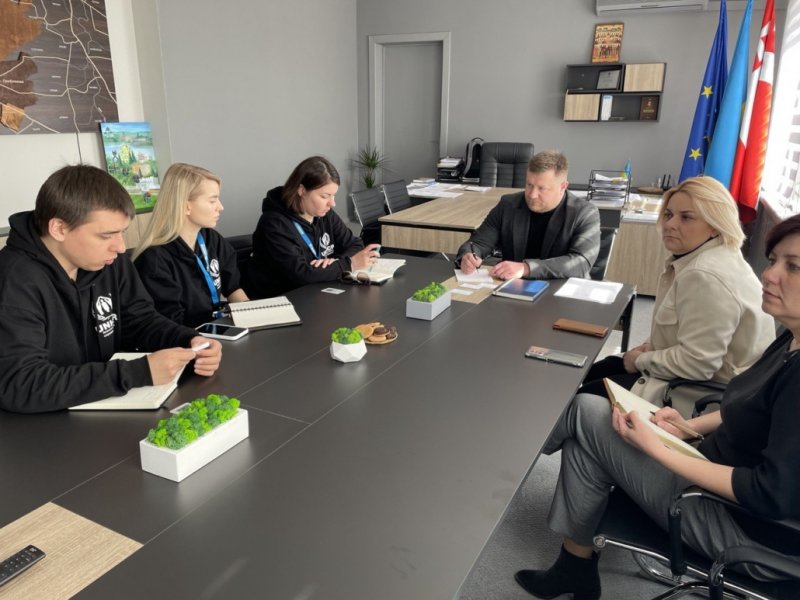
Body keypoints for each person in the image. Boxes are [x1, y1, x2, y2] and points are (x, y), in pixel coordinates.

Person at [514, 215, 800, 599]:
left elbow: (770, 493)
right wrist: (690, 426)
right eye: (774, 260)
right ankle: (573, 567)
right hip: (717, 475)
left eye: (793, 267)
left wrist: (658, 450)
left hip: (747, 533)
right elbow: (751, 406)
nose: (769, 274)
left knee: (584, 409)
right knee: (590, 437)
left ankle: (505, 468)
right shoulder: (791, 338)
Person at [0, 165, 222, 413]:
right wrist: (137, 372)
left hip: (105, 408)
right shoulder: (14, 280)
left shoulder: (109, 261)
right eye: (106, 235)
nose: (120, 247)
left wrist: (188, 340)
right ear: (59, 228)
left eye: (122, 233)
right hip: (41, 426)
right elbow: (20, 384)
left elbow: (140, 320)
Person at [579, 176, 775, 415]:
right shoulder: (708, 256)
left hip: (703, 395)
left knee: (581, 399)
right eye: (669, 214)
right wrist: (649, 348)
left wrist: (639, 361)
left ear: (716, 224)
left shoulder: (705, 275)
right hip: (697, 376)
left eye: (686, 217)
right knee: (592, 372)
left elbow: (698, 364)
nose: (670, 224)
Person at [243, 156, 380, 299]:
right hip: (281, 299)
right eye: (325, 196)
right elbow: (300, 274)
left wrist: (336, 262)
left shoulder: (325, 214)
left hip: (315, 291)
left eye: (333, 195)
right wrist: (349, 264)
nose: (332, 203)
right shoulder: (274, 224)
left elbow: (355, 244)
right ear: (302, 190)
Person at [133, 163, 248, 327]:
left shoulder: (211, 238)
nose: (220, 207)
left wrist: (253, 316)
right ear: (186, 206)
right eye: (212, 201)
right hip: (189, 336)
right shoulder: (155, 259)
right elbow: (172, 323)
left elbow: (233, 288)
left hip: (216, 327)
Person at [455, 150, 600, 280]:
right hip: (513, 287)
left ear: (563, 187)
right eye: (529, 185)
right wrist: (469, 255)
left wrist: (526, 268)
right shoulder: (508, 205)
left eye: (542, 188)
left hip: (561, 290)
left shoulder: (584, 213)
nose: (532, 194)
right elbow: (479, 242)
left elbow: (581, 262)